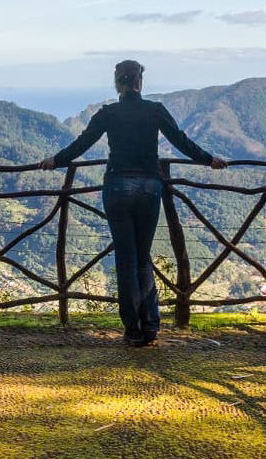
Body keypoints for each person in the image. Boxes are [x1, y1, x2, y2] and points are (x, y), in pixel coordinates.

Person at [39, 60, 227, 347]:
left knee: (126, 259)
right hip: (150, 186)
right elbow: (181, 141)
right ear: (141, 82)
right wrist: (208, 159)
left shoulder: (108, 114)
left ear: (117, 83)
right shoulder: (155, 110)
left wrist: (56, 160)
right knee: (142, 257)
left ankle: (133, 329)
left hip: (117, 186)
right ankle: (150, 325)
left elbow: (82, 143)